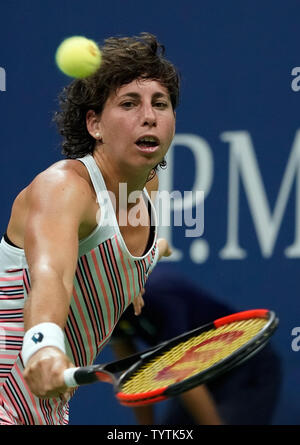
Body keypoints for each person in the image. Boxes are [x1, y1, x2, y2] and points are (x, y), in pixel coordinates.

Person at [0, 33, 178, 425]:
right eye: (129, 103)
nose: (149, 116)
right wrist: (44, 346)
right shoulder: (63, 188)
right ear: (94, 124)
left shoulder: (147, 186)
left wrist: (134, 274)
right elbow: (52, 276)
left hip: (48, 410)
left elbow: (116, 254)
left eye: (160, 104)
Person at [110, 265, 282, 425]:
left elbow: (182, 375)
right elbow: (131, 374)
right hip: (199, 374)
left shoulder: (161, 293)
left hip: (245, 365)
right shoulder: (107, 307)